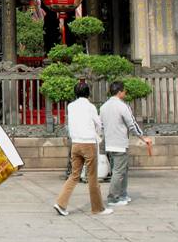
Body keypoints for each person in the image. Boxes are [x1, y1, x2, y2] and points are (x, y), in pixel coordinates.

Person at [53, 81, 112, 217]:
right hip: (88, 143)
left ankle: (61, 203)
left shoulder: (70, 106)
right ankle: (98, 208)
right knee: (92, 177)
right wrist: (97, 133)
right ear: (88, 93)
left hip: (75, 143)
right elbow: (98, 123)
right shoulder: (90, 107)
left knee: (74, 175)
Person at [99, 80, 152, 207]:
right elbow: (132, 124)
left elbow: (100, 126)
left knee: (121, 170)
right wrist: (143, 137)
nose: (125, 92)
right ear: (119, 92)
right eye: (124, 90)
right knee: (119, 171)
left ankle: (122, 194)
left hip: (109, 143)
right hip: (120, 144)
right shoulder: (123, 106)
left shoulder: (103, 107)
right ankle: (113, 198)